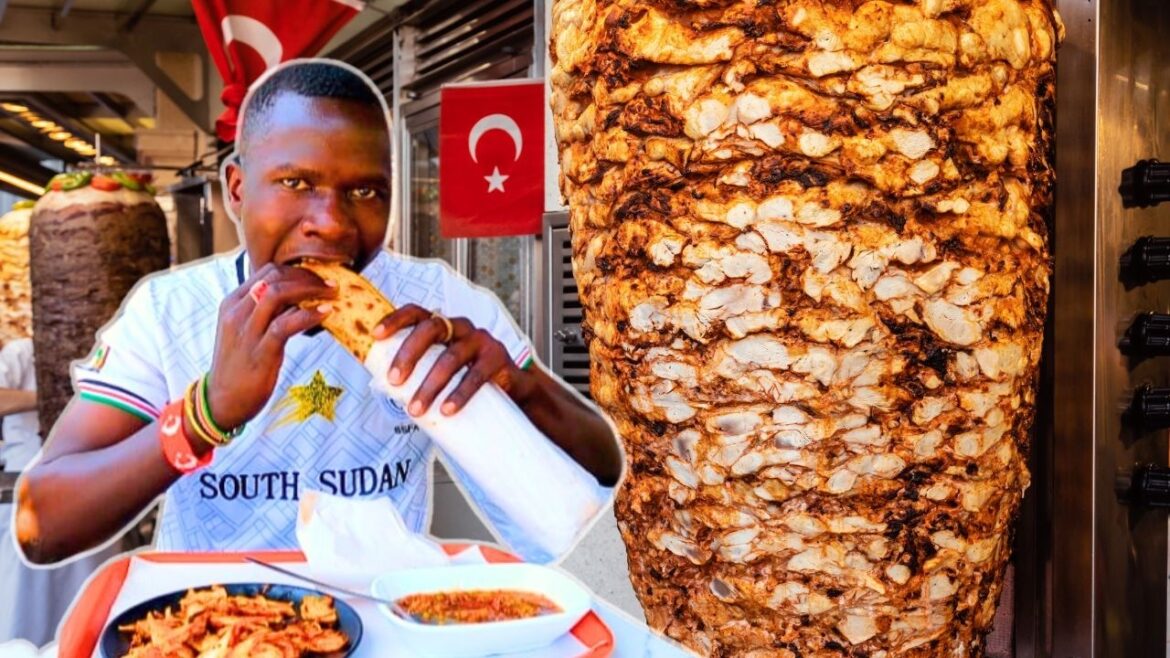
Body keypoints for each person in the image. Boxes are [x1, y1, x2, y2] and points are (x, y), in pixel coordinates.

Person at [15, 60, 622, 567]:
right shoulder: (171, 311)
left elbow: (604, 470)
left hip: (390, 621)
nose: (331, 223)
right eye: (296, 183)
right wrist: (206, 414)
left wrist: (522, 389)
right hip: (215, 626)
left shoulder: (437, 303)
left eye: (365, 191)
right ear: (236, 189)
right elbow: (41, 524)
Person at [0, 338, 117, 646]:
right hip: (26, 490)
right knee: (23, 597)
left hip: (93, 488)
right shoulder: (22, 353)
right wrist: (48, 399)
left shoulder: (109, 353)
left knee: (90, 590)